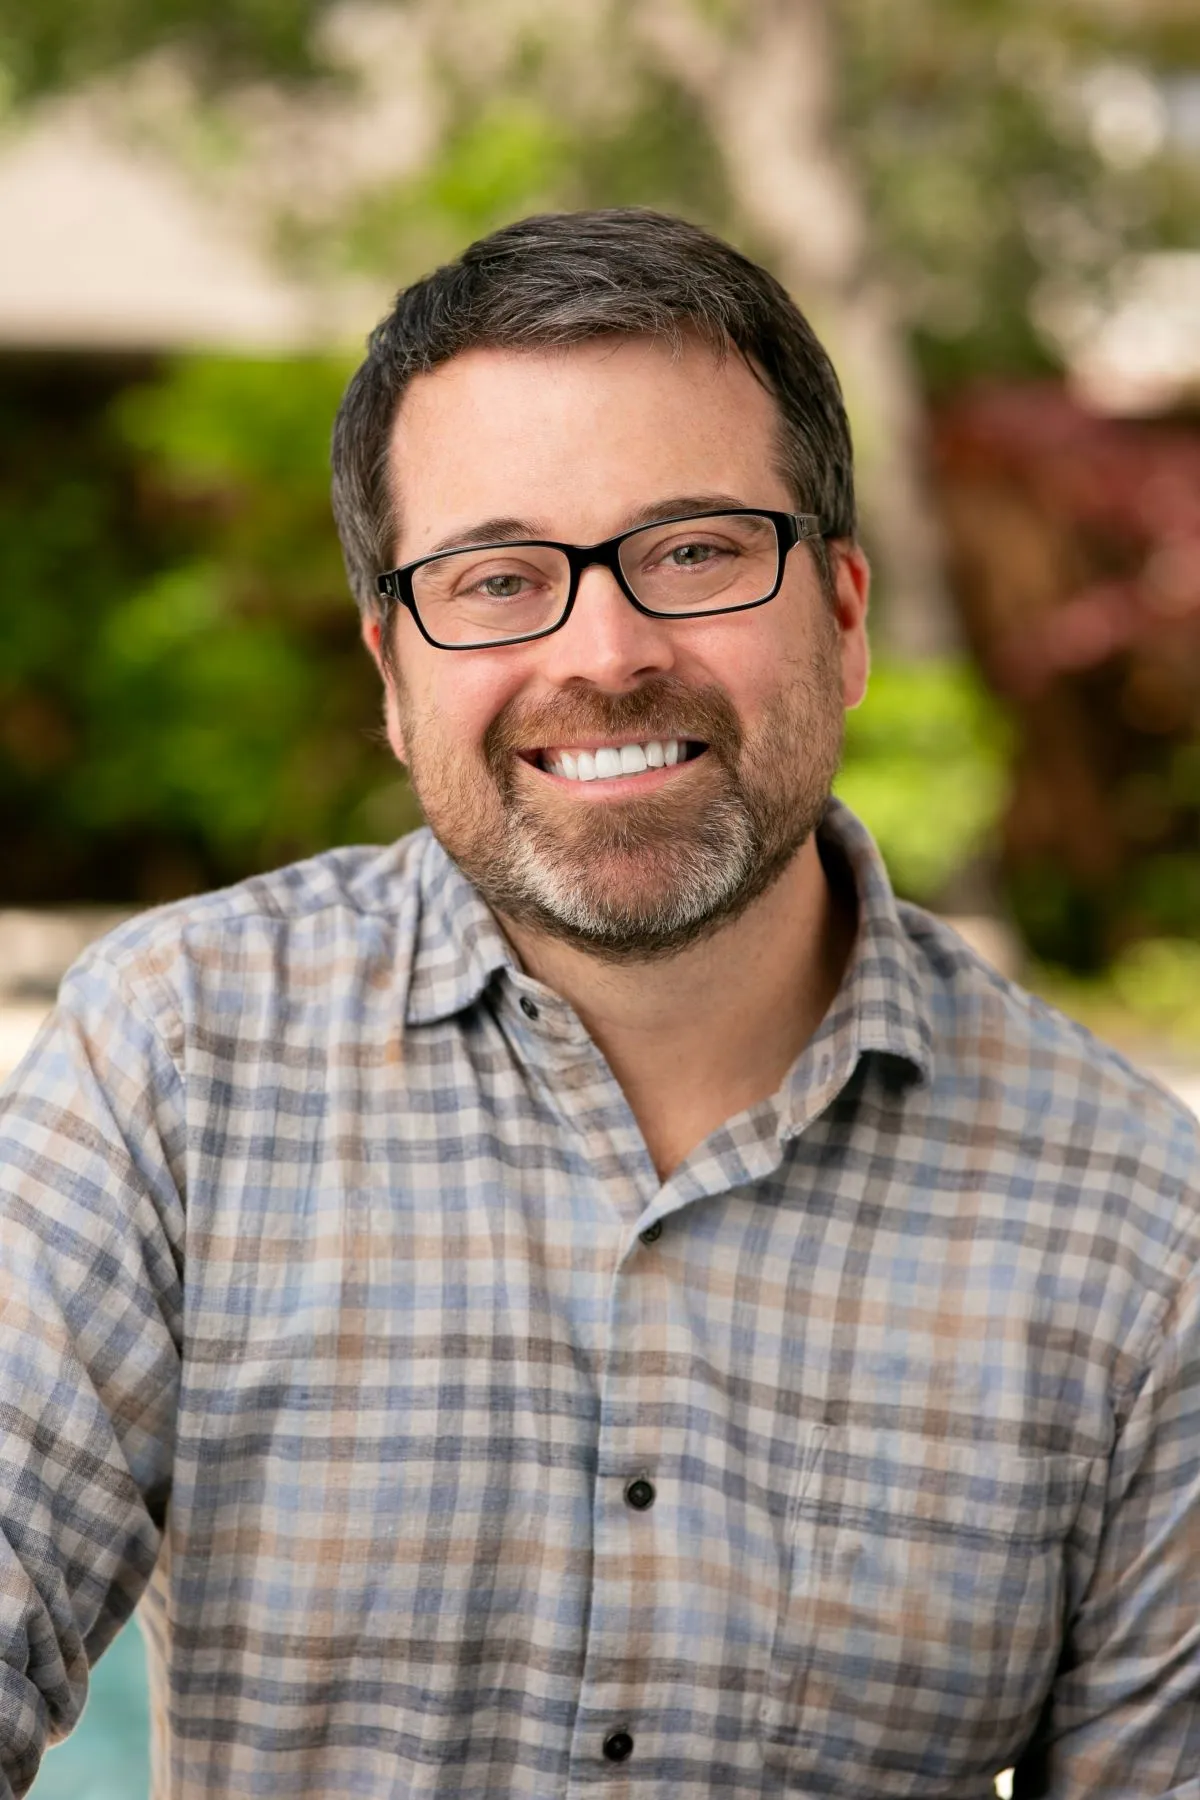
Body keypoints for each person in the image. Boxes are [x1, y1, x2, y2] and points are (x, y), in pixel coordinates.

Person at [1, 209, 1198, 1800]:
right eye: (497, 577)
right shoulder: (177, 1053)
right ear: (392, 668)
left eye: (695, 549)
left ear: (841, 616)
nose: (607, 650)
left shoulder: (1139, 1233)